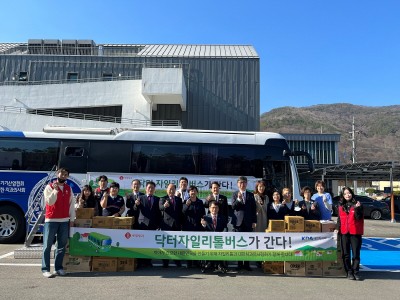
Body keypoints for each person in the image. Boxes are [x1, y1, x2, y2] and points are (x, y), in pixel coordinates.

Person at [41, 167, 75, 278]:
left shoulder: (68, 188)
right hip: (51, 220)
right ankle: (45, 269)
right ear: (57, 174)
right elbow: (49, 202)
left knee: (61, 246)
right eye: (61, 173)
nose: (63, 175)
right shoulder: (49, 187)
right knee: (47, 245)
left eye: (66, 174)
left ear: (67, 176)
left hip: (64, 220)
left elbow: (71, 205)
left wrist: (72, 219)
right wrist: (55, 190)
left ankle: (58, 268)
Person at [335, 187, 364, 280]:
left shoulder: (357, 204)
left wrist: (357, 209)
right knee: (345, 254)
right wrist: (337, 228)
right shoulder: (340, 205)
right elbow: (339, 219)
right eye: (345, 194)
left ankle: (356, 271)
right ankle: (349, 272)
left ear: (352, 193)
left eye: (349, 193)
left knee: (356, 254)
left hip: (355, 232)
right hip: (344, 232)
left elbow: (359, 218)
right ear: (343, 196)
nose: (347, 195)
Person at [231, 176, 257, 271]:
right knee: (239, 244)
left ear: (246, 184)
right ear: (238, 184)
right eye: (241, 183)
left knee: (247, 244)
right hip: (238, 222)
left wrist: (254, 221)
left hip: (248, 222)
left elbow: (253, 209)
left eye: (244, 182)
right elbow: (233, 207)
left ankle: (246, 264)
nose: (242, 184)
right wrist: (238, 199)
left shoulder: (250, 195)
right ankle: (239, 264)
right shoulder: (234, 194)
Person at [134, 181, 161, 267]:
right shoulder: (141, 197)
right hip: (142, 224)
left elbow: (158, 213)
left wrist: (158, 224)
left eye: (152, 188)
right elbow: (135, 209)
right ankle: (140, 261)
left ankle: (148, 261)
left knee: (150, 244)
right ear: (146, 189)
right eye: (149, 187)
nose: (150, 189)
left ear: (154, 189)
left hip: (152, 225)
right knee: (141, 244)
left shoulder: (157, 199)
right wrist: (136, 204)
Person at [159, 183, 183, 268]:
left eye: (173, 189)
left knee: (177, 244)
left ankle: (177, 261)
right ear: (167, 190)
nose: (171, 191)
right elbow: (160, 208)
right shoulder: (163, 198)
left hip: (176, 225)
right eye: (169, 189)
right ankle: (165, 262)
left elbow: (180, 213)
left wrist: (181, 224)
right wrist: (164, 206)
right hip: (166, 225)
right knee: (166, 245)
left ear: (175, 190)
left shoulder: (179, 200)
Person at [201, 200, 228, 273]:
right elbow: (202, 230)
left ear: (218, 209)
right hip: (208, 240)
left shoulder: (222, 217)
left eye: (216, 208)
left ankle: (220, 265)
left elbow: (225, 227)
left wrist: (223, 234)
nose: (214, 209)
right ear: (209, 208)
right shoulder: (205, 217)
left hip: (219, 239)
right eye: (212, 208)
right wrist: (203, 225)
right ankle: (208, 264)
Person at [182, 185, 206, 268]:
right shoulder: (186, 201)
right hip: (188, 226)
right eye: (191, 191)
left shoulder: (200, 202)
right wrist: (187, 205)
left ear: (197, 192)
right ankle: (189, 262)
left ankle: (196, 262)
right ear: (188, 193)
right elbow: (182, 213)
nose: (193, 192)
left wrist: (203, 220)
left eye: (194, 191)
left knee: (196, 245)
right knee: (188, 245)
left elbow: (203, 214)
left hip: (198, 227)